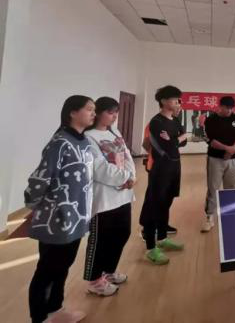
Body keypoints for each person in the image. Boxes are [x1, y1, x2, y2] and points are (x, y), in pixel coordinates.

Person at [25, 96, 99, 323]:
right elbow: (40, 178)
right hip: (56, 218)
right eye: (89, 109)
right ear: (72, 113)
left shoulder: (84, 142)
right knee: (47, 270)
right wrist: (34, 205)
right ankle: (40, 317)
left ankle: (55, 309)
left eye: (95, 109)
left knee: (63, 266)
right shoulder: (60, 142)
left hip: (77, 217)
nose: (93, 113)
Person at [83, 97, 136, 297]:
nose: (114, 116)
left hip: (123, 194)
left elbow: (127, 155)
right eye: (110, 112)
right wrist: (125, 177)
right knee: (101, 240)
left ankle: (108, 271)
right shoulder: (89, 137)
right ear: (98, 113)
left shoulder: (115, 132)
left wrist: (132, 176)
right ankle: (95, 280)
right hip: (104, 198)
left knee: (122, 233)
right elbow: (99, 168)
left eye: (116, 113)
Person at [139, 86, 185, 265]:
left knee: (166, 202)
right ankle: (151, 248)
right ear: (164, 101)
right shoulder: (156, 122)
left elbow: (183, 140)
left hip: (175, 166)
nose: (178, 103)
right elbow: (170, 145)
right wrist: (177, 139)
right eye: (175, 100)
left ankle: (163, 238)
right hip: (160, 168)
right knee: (154, 205)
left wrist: (177, 139)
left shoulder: (175, 120)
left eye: (178, 100)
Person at [201, 96, 235, 232]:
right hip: (215, 159)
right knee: (213, 188)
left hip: (234, 159)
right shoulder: (211, 120)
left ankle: (229, 213)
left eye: (232, 108)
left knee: (231, 188)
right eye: (227, 108)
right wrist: (228, 149)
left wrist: (232, 150)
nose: (229, 111)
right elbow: (212, 141)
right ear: (220, 107)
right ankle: (209, 218)